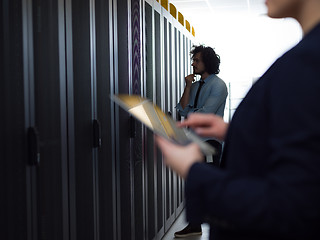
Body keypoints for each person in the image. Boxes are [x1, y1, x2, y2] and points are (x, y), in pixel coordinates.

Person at [156, 0, 320, 239]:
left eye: (197, 60)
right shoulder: (305, 57)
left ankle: (195, 224)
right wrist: (234, 131)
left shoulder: (308, 62)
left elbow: (293, 207)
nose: (193, 63)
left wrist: (193, 171)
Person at [174, 45, 228, 238]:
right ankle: (195, 225)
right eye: (193, 60)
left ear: (208, 63)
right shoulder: (195, 86)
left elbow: (204, 115)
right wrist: (188, 87)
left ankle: (219, 227)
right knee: (194, 184)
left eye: (197, 60)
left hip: (209, 143)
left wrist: (189, 113)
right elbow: (181, 111)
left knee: (211, 185)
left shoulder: (218, 85)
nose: (193, 63)